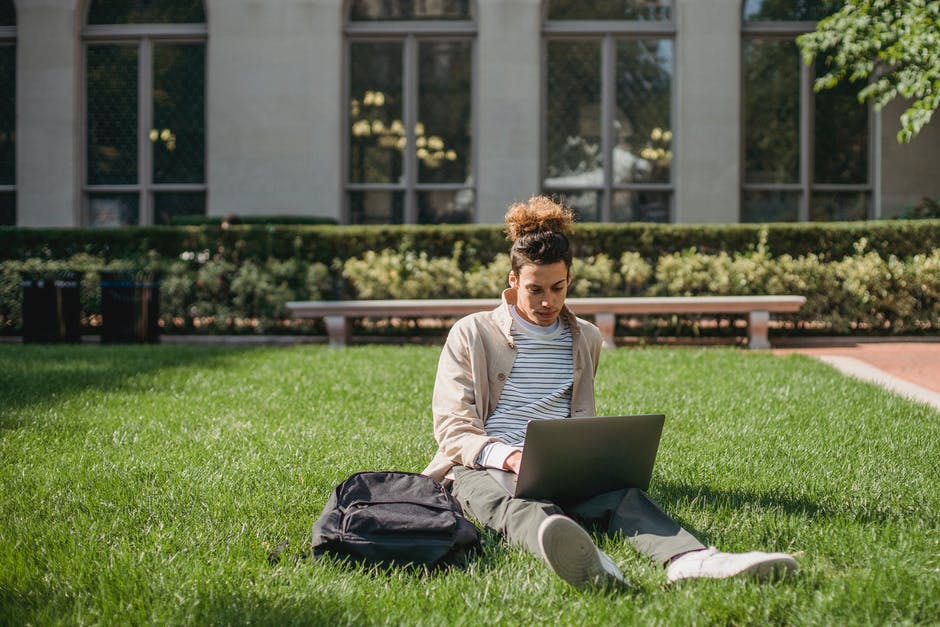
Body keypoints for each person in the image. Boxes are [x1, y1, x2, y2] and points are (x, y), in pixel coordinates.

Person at [421, 196, 797, 590]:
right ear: (513, 282)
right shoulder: (473, 332)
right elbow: (452, 428)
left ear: (570, 280)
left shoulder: (585, 337)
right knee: (516, 506)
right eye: (535, 290)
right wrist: (509, 455)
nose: (548, 301)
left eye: (558, 287)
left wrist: (585, 461)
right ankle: (594, 564)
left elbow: (578, 416)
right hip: (479, 464)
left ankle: (692, 558)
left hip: (558, 466)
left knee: (625, 497)